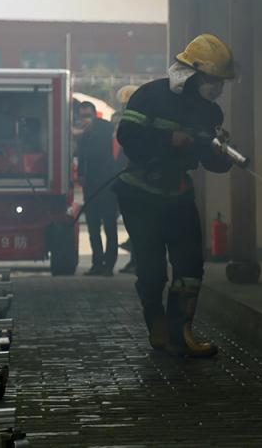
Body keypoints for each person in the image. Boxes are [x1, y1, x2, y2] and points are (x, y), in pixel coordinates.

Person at [115, 34, 235, 357]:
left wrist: (223, 160)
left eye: (221, 82)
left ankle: (182, 332)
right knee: (153, 270)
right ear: (193, 73)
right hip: (141, 196)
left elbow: (208, 158)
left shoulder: (211, 114)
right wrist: (169, 139)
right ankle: (156, 320)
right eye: (212, 80)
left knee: (190, 265)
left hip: (177, 195)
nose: (217, 87)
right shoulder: (150, 96)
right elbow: (127, 135)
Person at [76, 101, 120, 277]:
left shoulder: (104, 129)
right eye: (82, 116)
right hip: (90, 186)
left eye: (88, 115)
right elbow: (81, 157)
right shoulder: (84, 136)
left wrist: (90, 126)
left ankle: (108, 265)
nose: (85, 120)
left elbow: (99, 151)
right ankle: (97, 263)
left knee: (109, 226)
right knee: (93, 227)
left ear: (95, 115)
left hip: (107, 185)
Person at [114, 85, 139, 275]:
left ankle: (137, 261)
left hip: (138, 184)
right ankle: (134, 260)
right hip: (127, 182)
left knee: (139, 228)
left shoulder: (139, 126)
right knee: (132, 226)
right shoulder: (123, 124)